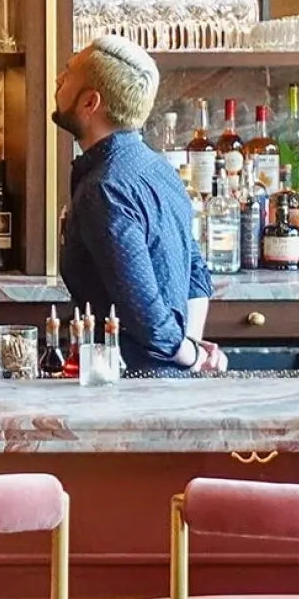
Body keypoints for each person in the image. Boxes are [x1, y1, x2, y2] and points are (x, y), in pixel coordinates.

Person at [54, 33, 221, 377]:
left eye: (67, 74)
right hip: (165, 381)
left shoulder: (105, 188)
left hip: (126, 386)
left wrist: (191, 355)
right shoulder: (159, 168)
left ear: (90, 103)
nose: (57, 80)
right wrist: (189, 346)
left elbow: (143, 313)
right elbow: (197, 273)